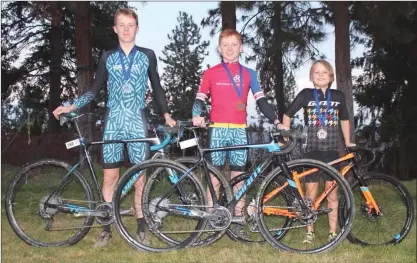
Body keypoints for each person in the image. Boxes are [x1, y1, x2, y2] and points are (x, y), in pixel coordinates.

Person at [52, 8, 176, 248]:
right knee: (110, 176)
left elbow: (158, 87)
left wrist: (167, 114)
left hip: (137, 122)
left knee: (140, 175)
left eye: (131, 24)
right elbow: (95, 89)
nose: (127, 29)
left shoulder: (147, 55)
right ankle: (106, 227)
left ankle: (141, 225)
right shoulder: (107, 56)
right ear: (115, 28)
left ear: (137, 28)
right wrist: (72, 105)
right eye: (122, 24)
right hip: (113, 122)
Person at [192, 29, 284, 238]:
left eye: (234, 45)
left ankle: (238, 219)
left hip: (239, 131)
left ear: (241, 48)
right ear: (219, 48)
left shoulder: (249, 73)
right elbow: (199, 99)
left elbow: (261, 101)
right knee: (214, 177)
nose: (230, 49)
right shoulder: (211, 72)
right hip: (217, 130)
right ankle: (210, 218)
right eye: (225, 45)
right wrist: (196, 115)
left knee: (239, 178)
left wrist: (276, 121)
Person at [282, 59, 356, 243]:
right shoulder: (306, 94)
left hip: (332, 152)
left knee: (332, 194)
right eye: (317, 72)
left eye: (324, 72)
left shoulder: (338, 95)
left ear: (331, 76)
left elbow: (345, 119)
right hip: (312, 152)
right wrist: (285, 135)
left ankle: (333, 231)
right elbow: (287, 114)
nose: (321, 75)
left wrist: (347, 141)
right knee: (310, 195)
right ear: (311, 76)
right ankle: (310, 231)